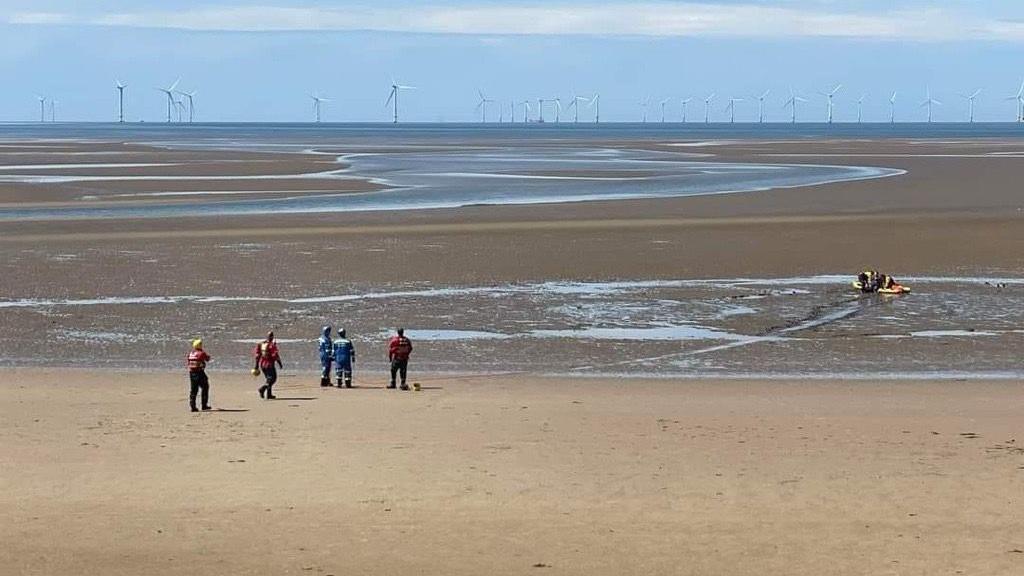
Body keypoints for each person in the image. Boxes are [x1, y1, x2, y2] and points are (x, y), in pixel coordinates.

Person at [253, 331, 283, 399]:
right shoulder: (272, 345)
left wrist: (256, 365)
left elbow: (257, 355)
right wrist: (280, 363)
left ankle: (269, 394)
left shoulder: (261, 344)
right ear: (272, 337)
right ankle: (262, 389)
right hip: (269, 365)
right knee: (273, 379)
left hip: (262, 365)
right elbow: (275, 355)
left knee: (268, 379)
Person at [186, 339, 212, 412]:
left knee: (193, 390)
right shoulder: (201, 353)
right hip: (199, 372)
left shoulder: (190, 353)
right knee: (205, 387)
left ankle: (193, 406)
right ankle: (204, 405)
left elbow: (188, 362)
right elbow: (208, 359)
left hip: (191, 373)